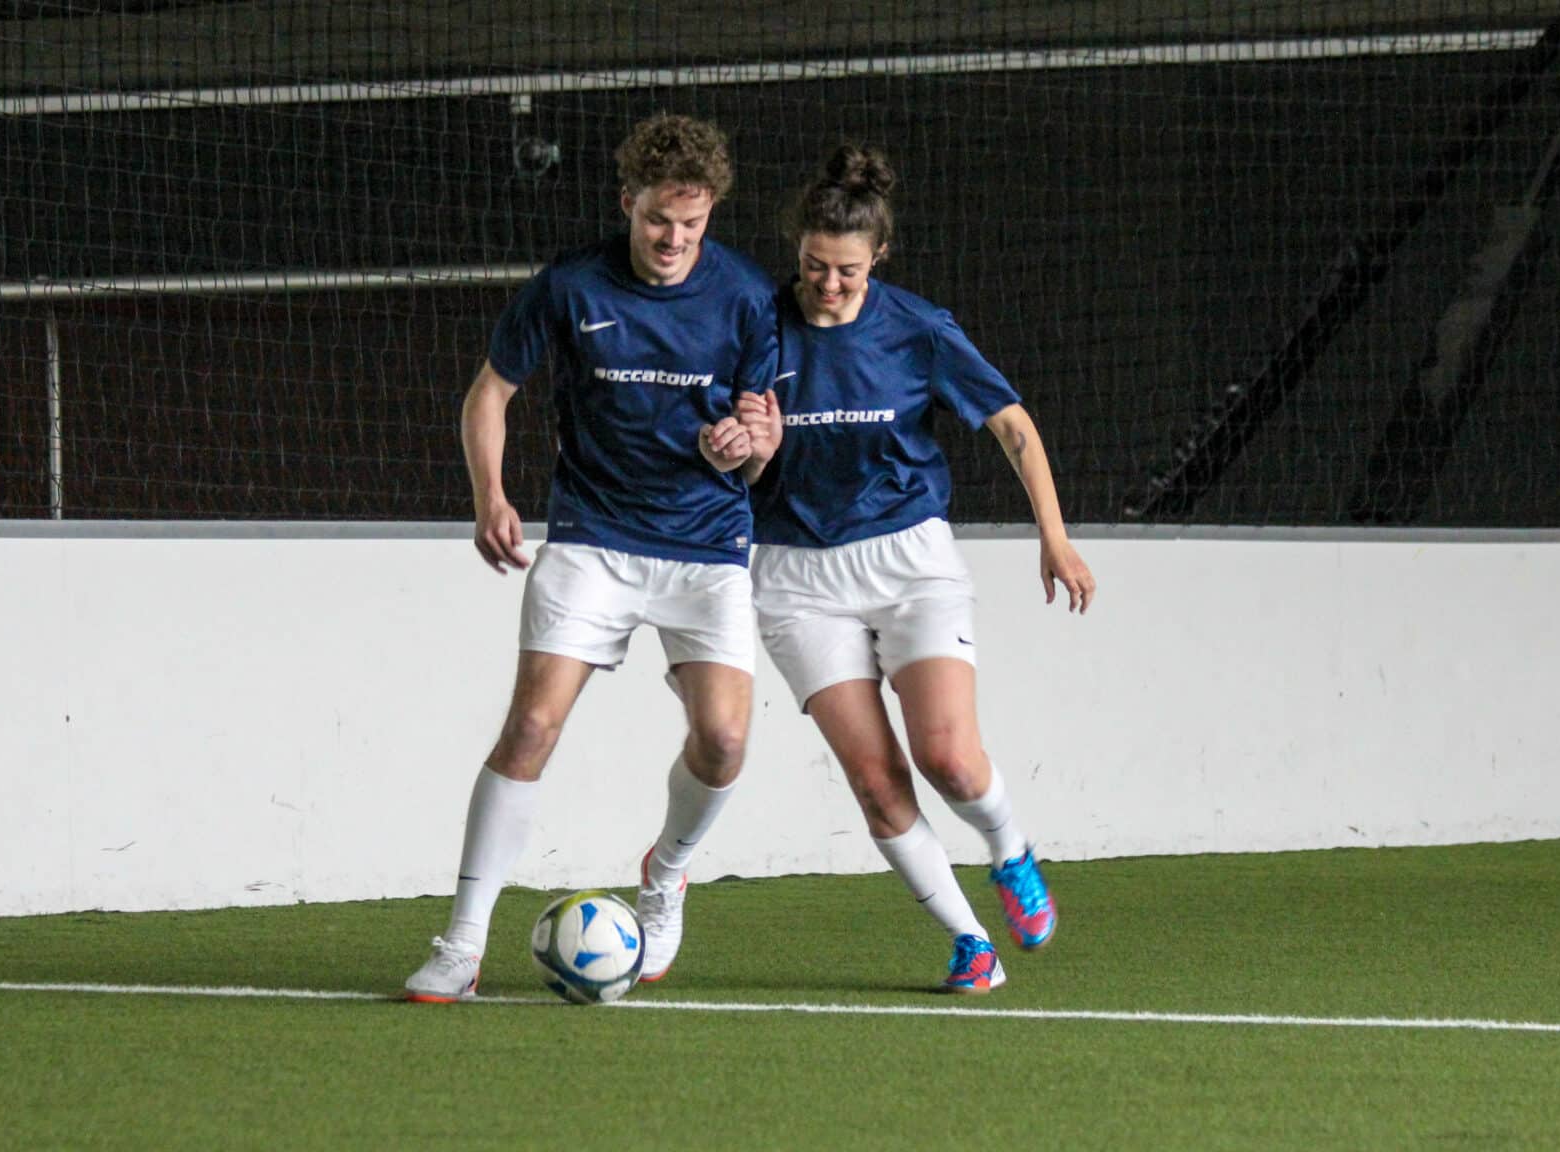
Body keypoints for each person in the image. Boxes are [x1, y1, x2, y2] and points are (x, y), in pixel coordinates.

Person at [405, 113, 781, 1002]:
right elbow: (489, 394)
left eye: (693, 224)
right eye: (659, 220)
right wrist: (490, 497)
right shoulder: (571, 286)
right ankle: (461, 946)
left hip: (706, 546)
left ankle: (666, 874)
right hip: (594, 539)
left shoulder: (746, 296)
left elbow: (763, 442)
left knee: (724, 741)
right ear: (629, 204)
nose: (674, 240)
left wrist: (748, 444)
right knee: (532, 725)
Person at [738, 144, 1095, 993]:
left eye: (848, 272)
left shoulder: (918, 329)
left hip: (908, 561)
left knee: (950, 759)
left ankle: (1009, 851)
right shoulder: (756, 326)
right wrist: (751, 452)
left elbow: (1013, 425)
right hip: (794, 574)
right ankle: (970, 942)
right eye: (816, 267)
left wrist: (1055, 534)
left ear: (879, 258)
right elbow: (738, 464)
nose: (829, 286)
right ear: (797, 253)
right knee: (874, 779)